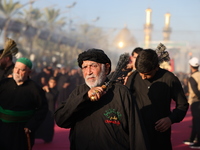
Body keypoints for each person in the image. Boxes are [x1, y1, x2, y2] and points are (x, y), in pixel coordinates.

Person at [54, 48, 149, 150]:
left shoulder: (121, 93)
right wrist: (85, 97)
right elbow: (61, 119)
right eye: (85, 67)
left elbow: (136, 132)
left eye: (93, 66)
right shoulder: (79, 92)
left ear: (106, 68)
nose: (89, 72)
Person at [125, 49, 189, 150]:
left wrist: (170, 119)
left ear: (156, 67)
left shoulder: (169, 78)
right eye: (140, 73)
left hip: (160, 135)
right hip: (138, 133)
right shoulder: (133, 77)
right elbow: (125, 103)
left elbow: (183, 105)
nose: (143, 77)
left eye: (147, 74)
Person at [0, 57, 48, 150]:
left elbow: (43, 109)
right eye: (16, 68)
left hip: (21, 130)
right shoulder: (3, 84)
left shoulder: (35, 89)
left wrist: (31, 126)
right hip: (2, 127)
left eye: (21, 70)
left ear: (29, 72)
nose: (17, 72)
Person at [183, 57, 200, 148]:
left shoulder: (192, 77)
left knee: (197, 122)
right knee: (195, 121)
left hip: (196, 102)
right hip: (197, 101)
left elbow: (196, 92)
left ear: (190, 66)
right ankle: (192, 138)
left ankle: (198, 142)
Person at [35, 76, 59, 143]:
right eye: (51, 82)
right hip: (43, 109)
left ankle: (48, 138)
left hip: (51, 111)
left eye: (54, 82)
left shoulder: (56, 91)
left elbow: (52, 99)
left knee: (49, 125)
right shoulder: (45, 89)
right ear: (48, 82)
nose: (53, 84)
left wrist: (48, 91)